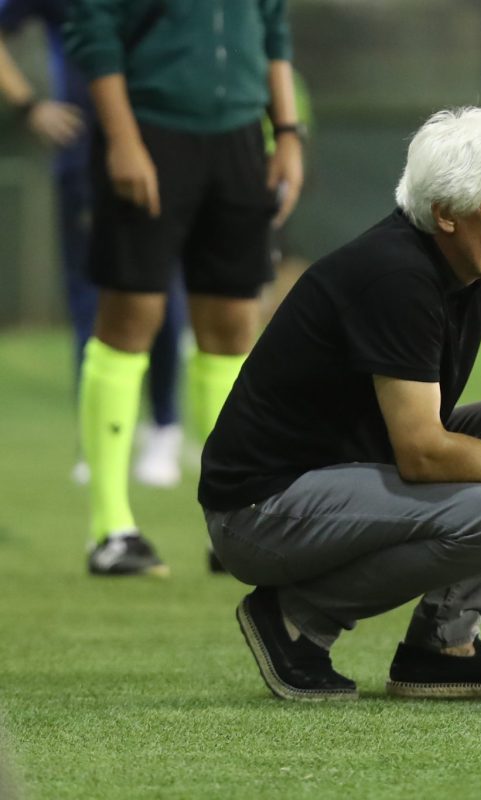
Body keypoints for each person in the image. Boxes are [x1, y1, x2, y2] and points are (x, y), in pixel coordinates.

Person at [199, 107, 481, 702]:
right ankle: (296, 620)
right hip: (259, 510)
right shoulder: (395, 276)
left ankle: (444, 647)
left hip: (346, 476)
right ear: (447, 213)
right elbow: (423, 453)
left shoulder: (479, 261)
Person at [64, 0, 305, 576]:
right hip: (150, 130)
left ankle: (233, 524)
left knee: (233, 327)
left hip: (241, 138)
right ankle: (111, 529)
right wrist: (122, 139)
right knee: (130, 317)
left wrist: (287, 134)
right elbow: (94, 29)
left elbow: (272, 29)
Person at [0, 0, 187, 489]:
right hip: (84, 158)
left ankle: (164, 427)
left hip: (165, 145)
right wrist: (29, 106)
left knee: (162, 291)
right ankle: (98, 435)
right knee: (89, 297)